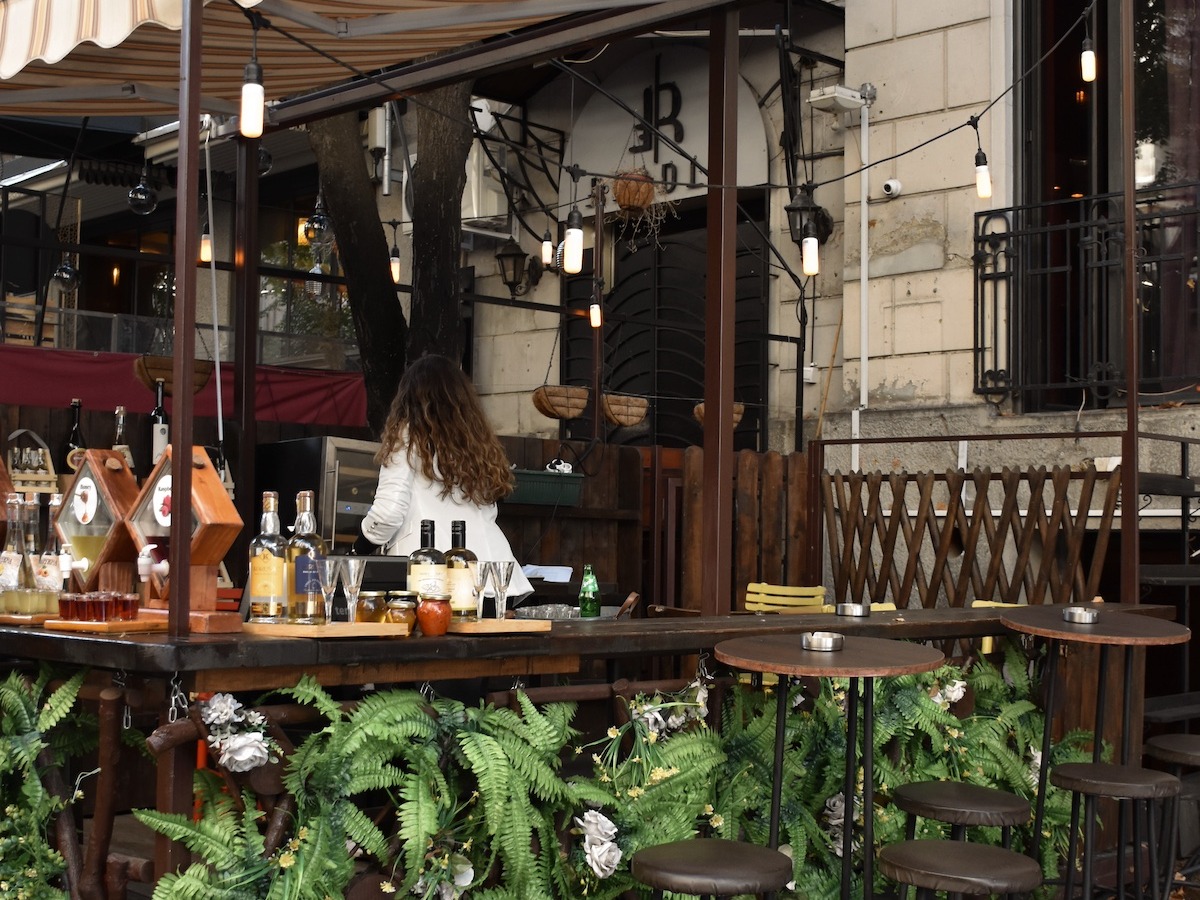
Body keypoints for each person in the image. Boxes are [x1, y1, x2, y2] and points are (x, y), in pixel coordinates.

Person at [353, 354, 533, 599]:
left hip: (431, 576)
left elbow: (388, 513)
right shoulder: (476, 441)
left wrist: (358, 548)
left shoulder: (407, 436)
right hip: (492, 574)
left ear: (408, 398)